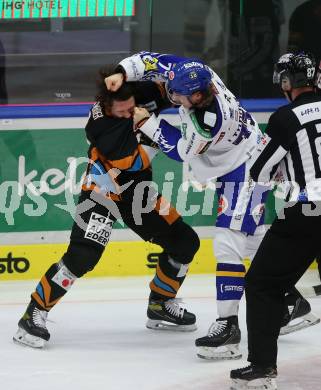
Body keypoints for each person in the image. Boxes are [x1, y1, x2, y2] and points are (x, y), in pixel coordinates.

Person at [104, 51, 319, 360]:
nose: (174, 97)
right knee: (252, 239)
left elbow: (181, 151)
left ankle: (228, 326)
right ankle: (290, 303)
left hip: (245, 168)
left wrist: (147, 122)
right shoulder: (195, 72)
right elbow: (153, 61)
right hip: (242, 160)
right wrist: (122, 71)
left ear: (202, 95)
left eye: (182, 96)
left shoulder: (209, 122)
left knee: (228, 243)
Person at [13, 69, 200, 349]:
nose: (128, 114)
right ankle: (34, 313)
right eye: (122, 112)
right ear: (105, 105)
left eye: (131, 109)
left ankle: (160, 304)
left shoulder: (137, 94)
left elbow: (169, 84)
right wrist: (155, 133)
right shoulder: (100, 126)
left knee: (185, 242)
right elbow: (135, 163)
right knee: (83, 256)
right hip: (103, 190)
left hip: (139, 193)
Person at [230, 51, 321, 390]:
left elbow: (261, 170)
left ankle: (262, 369)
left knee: (262, 286)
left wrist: (284, 178)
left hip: (307, 213)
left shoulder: (285, 117)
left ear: (287, 82)